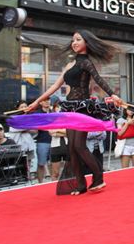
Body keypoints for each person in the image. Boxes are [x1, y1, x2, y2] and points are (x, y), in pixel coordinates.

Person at [26, 30, 123, 195]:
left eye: (78, 40)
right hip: (69, 107)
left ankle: (98, 178)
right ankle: (80, 184)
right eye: (73, 40)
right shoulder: (70, 65)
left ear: (87, 43)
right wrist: (36, 102)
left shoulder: (86, 63)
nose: (74, 43)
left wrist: (112, 94)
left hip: (83, 108)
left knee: (79, 145)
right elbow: (54, 86)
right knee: (71, 148)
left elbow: (98, 79)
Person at [8, 100, 37, 175]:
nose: (24, 108)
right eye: (22, 107)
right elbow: (20, 127)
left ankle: (28, 177)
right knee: (19, 164)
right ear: (17, 108)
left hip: (29, 145)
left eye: (25, 106)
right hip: (18, 146)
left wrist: (28, 128)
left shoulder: (30, 117)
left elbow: (35, 130)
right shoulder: (13, 118)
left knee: (29, 163)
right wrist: (28, 128)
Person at [35, 98, 52, 183]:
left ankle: (53, 181)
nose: (47, 102)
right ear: (40, 102)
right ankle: (40, 182)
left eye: (48, 100)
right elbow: (36, 127)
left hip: (54, 140)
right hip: (42, 140)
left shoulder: (53, 112)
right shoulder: (38, 113)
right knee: (41, 163)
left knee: (53, 163)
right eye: (45, 100)